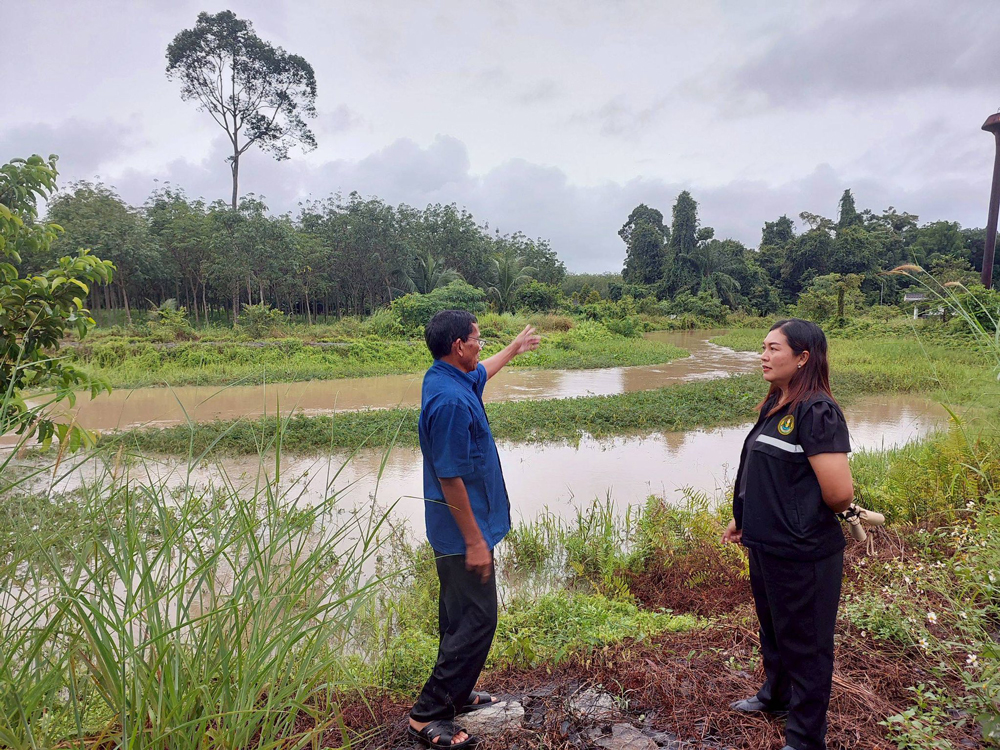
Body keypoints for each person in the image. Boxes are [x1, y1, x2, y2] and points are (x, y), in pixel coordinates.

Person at [408, 310, 540, 750]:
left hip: (460, 530)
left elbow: (484, 371)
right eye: (477, 339)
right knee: (479, 621)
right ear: (458, 345)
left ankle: (457, 692)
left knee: (457, 618)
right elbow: (449, 477)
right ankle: (429, 713)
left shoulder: (450, 377)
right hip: (461, 534)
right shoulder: (449, 401)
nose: (482, 346)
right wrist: (475, 542)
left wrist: (515, 349)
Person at [722, 318, 855, 750]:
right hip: (767, 545)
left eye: (773, 348)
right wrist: (745, 517)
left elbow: (839, 493)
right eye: (763, 347)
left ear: (802, 358)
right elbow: (765, 472)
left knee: (807, 646)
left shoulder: (817, 411)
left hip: (803, 552)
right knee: (774, 631)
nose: (763, 356)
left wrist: (790, 519)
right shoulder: (777, 404)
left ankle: (805, 738)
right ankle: (775, 696)